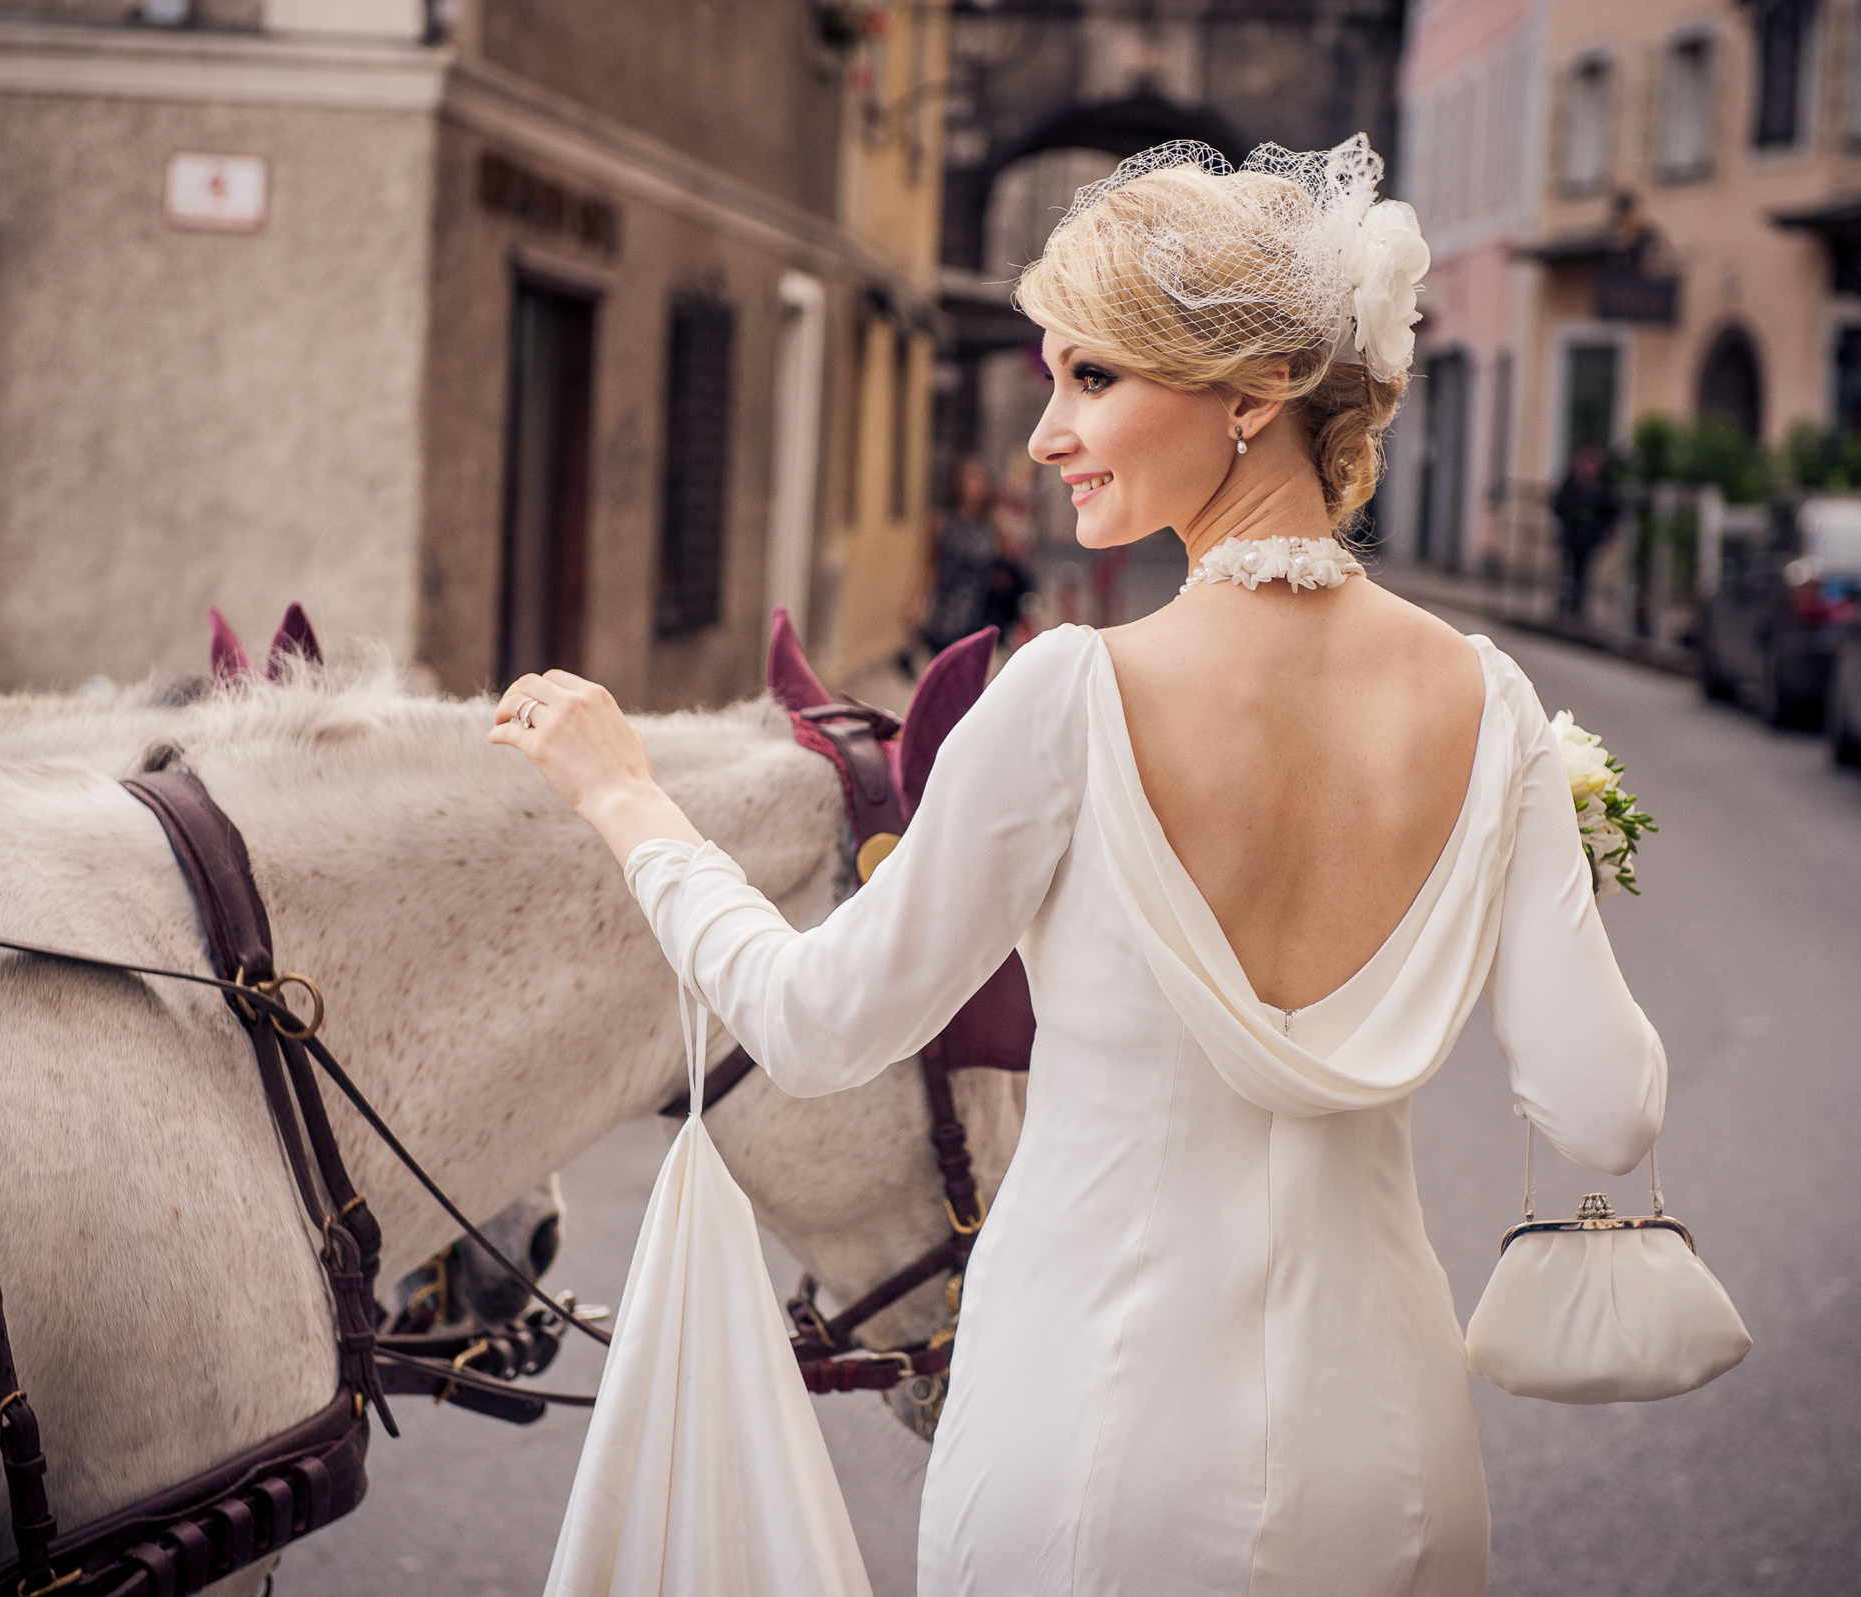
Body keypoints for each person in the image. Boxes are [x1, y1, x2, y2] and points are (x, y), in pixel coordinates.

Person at [492, 137, 1664, 1597]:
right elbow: (1606, 1112)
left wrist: (627, 804)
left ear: (1254, 393)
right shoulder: (1489, 703)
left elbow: (811, 1020)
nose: (1046, 433)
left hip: (1085, 1449)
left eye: (1092, 378)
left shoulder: (1066, 698)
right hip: (1389, 1462)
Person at [904, 457, 1035, 674]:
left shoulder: (995, 525)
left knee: (973, 676)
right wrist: (916, 604)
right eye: (968, 478)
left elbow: (1009, 569)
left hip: (980, 609)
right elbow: (929, 565)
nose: (974, 484)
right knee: (944, 673)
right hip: (945, 609)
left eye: (979, 478)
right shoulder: (942, 521)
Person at [1553, 443, 1620, 619]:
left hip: (1589, 537)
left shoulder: (1602, 487)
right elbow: (1559, 503)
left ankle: (1578, 608)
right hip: (1572, 535)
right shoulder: (1573, 483)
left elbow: (1611, 510)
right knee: (1568, 571)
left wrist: (1604, 531)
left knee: (1583, 573)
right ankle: (1564, 606)